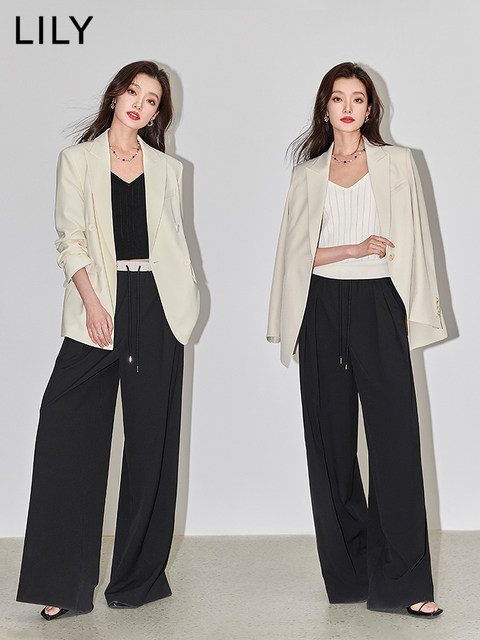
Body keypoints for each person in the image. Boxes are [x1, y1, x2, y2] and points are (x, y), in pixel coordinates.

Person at [16, 60, 200, 620]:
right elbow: (69, 239)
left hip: (158, 306)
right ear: (116, 95)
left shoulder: (168, 168)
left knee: (151, 446)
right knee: (67, 436)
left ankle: (136, 582)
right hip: (99, 301)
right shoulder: (77, 160)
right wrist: (95, 302)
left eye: (152, 100)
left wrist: (183, 302)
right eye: (133, 92)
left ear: (158, 113)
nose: (140, 104)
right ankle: (61, 584)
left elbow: (172, 241)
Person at [267, 62, 447, 617]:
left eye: (358, 98)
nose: (348, 107)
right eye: (338, 98)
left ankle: (407, 584)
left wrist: (414, 308)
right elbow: (294, 257)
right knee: (330, 444)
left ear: (371, 109)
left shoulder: (397, 163)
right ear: (325, 108)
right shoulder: (307, 174)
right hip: (320, 306)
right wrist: (352, 248)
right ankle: (348, 576)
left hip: (379, 304)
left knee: (396, 443)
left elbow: (415, 239)